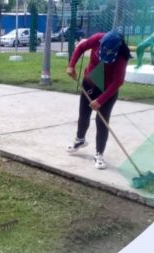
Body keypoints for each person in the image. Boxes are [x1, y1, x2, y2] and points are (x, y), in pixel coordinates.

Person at [66, 31, 132, 169]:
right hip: (90, 82)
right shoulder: (97, 38)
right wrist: (71, 65)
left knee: (101, 121)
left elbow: (118, 82)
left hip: (107, 90)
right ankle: (80, 140)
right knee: (83, 114)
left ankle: (99, 153)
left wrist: (100, 100)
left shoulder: (121, 56)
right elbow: (80, 48)